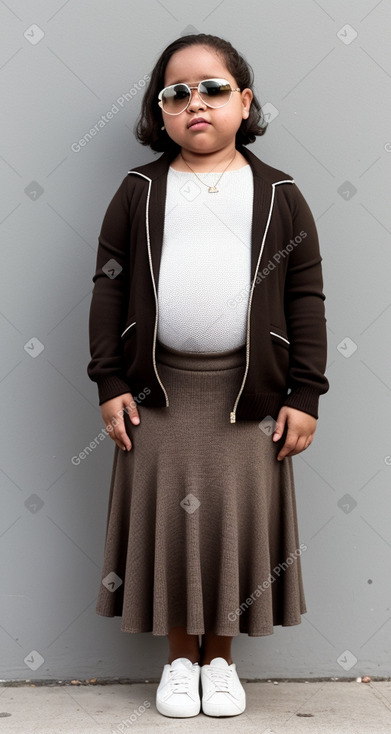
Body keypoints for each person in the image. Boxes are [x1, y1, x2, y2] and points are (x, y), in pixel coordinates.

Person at [87, 32, 329, 719]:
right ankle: (177, 664)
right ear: (160, 113)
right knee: (170, 526)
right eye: (177, 92)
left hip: (246, 397)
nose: (196, 102)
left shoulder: (278, 192)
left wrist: (304, 393)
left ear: (244, 101)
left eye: (213, 88)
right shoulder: (139, 190)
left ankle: (219, 660)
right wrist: (109, 382)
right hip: (156, 393)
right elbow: (108, 287)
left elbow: (305, 297)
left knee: (231, 526)